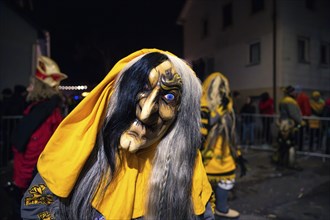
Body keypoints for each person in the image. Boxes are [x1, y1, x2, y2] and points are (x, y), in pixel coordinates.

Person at [21, 49, 214, 220]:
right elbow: (35, 206)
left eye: (168, 97)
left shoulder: (188, 166)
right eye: (142, 88)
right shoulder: (80, 155)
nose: (146, 113)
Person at [5, 56, 67, 218]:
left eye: (32, 85)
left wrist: (21, 183)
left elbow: (34, 154)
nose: (29, 88)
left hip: (31, 182)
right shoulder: (42, 110)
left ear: (40, 88)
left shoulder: (43, 114)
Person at [200, 72, 246, 219]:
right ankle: (201, 210)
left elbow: (233, 134)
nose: (220, 90)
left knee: (226, 181)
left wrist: (238, 154)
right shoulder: (202, 106)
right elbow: (201, 133)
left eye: (222, 87)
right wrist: (219, 112)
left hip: (225, 152)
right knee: (202, 185)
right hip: (206, 154)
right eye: (216, 87)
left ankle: (222, 208)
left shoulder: (228, 107)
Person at [275, 85, 305, 168]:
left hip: (282, 124)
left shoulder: (282, 100)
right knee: (291, 144)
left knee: (282, 143)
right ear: (291, 92)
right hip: (289, 125)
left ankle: (281, 161)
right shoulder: (290, 101)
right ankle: (291, 163)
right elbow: (293, 114)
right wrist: (301, 122)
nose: (296, 93)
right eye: (295, 92)